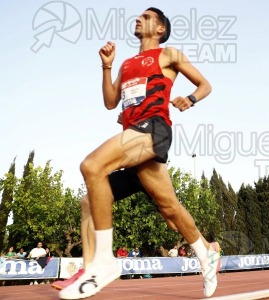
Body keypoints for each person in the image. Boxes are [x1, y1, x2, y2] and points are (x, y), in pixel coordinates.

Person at [59, 7, 219, 299]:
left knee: (92, 165)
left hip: (153, 131)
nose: (138, 18)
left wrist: (191, 99)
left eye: (146, 17)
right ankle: (205, 252)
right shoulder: (127, 64)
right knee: (163, 208)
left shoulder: (169, 54)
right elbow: (110, 102)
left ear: (159, 28)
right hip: (132, 137)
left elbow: (205, 84)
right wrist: (107, 67)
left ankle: (104, 262)